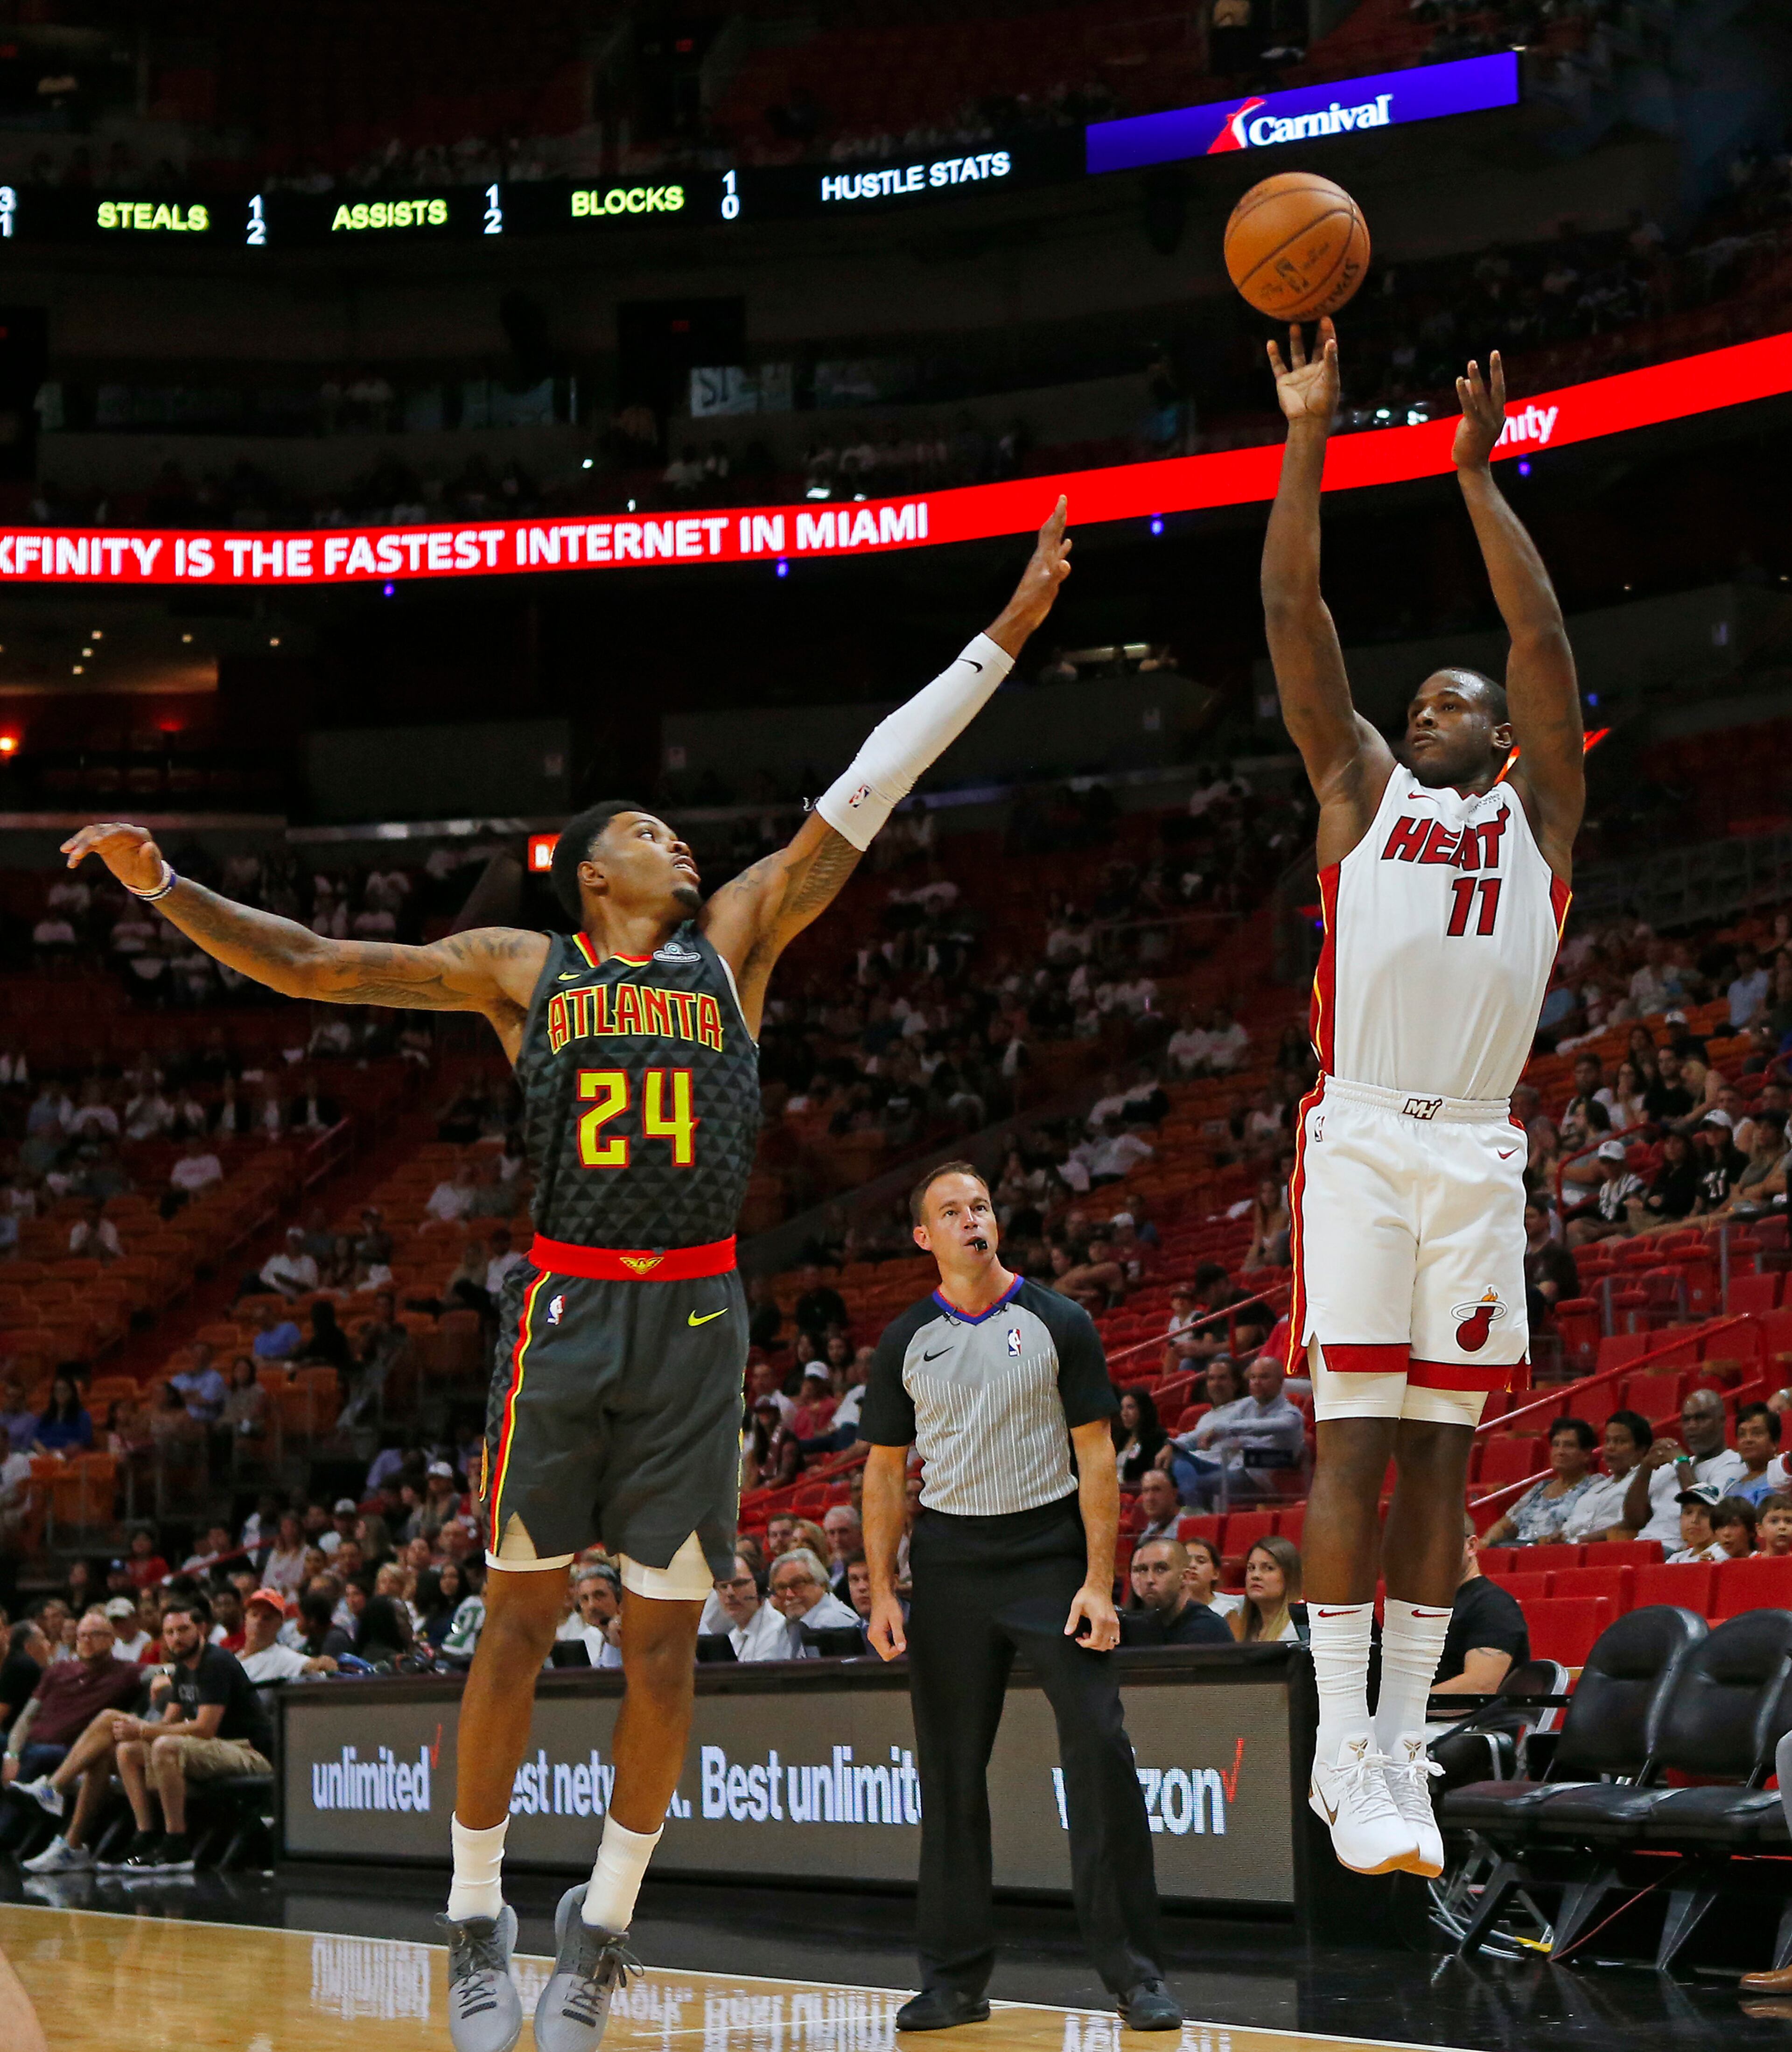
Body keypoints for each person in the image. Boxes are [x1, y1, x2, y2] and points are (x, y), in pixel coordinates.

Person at [62, 501, 1075, 2052]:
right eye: (650, 834)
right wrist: (161, 889)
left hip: (695, 1317)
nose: (685, 842)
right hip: (566, 1309)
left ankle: (599, 1925)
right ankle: (477, 1914)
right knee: (520, 1624)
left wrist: (999, 638)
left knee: (664, 1643)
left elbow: (873, 785)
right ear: (595, 873)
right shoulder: (520, 968)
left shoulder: (739, 937)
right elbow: (321, 966)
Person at [1261, 322, 1584, 1882]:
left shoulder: (1541, 813)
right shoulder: (1360, 793)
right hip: (1368, 1130)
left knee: (1447, 1463)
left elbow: (1547, 645)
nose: (1438, 700)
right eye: (1425, 695)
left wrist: (1475, 472)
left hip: (1479, 1145)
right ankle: (1341, 1736)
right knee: (1356, 1441)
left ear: (1501, 738)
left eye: (1458, 696)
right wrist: (1310, 433)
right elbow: (1293, 608)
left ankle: (1396, 1739)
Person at [860, 1162, 1179, 2033]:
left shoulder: (1057, 1321)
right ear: (924, 1236)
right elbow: (886, 1470)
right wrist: (884, 1588)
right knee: (951, 1774)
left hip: (1048, 1555)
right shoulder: (905, 1340)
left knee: (1100, 1745)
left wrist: (1099, 1582)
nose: (973, 1219)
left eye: (982, 1206)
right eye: (951, 1211)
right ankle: (957, 1980)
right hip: (953, 1562)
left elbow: (1099, 1456)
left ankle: (1135, 1973)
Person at [1620, 1388, 1745, 1548]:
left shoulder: (1732, 1463)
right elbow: (1633, 1521)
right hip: (1642, 1545)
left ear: (1722, 1420)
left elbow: (1710, 1517)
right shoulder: (1672, 1464)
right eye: (1686, 1420)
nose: (1692, 1425)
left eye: (1701, 1418)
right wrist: (1645, 1468)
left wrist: (1681, 1463)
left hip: (1678, 1550)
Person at [1428, 1520, 1530, 1698]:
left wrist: (1401, 1708)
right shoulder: (1431, 1605)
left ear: (1471, 1546)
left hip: (1465, 1724)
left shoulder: (1495, 1606)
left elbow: (1479, 1687)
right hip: (1422, 1719)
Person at [1479, 1418, 1598, 1548]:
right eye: (1556, 1445)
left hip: (1554, 1553)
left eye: (1569, 1446)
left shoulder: (1595, 1485)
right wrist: (1486, 1541)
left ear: (1586, 1454)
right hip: (1518, 1549)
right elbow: (1505, 1525)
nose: (1560, 1452)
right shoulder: (1541, 1487)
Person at [1561, 1411, 1653, 1543]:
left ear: (1642, 1449)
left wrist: (1578, 1541)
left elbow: (1629, 1526)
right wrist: (1560, 1537)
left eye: (1620, 1441)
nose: (1610, 1447)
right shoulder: (1595, 1488)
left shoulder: (1647, 1482)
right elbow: (1570, 1527)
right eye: (1608, 1441)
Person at [1123, 1538, 1232, 1646]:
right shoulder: (1136, 1625)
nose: (1149, 1579)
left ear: (1185, 1577)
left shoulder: (1208, 1628)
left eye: (1161, 1569)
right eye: (1143, 1570)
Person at [766, 1548, 861, 1653]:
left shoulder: (833, 1623)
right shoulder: (791, 1624)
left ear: (822, 1583)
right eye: (782, 1587)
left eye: (798, 1584)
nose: (789, 1594)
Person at [712, 1554, 787, 1662]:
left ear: (760, 1585)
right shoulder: (733, 1637)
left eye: (739, 1584)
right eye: (723, 1586)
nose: (730, 1593)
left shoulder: (778, 1631)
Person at [1231, 1537, 1306, 1645]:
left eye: (1269, 1568)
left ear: (1290, 1576)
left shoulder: (1299, 1626)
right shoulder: (1241, 1625)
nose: (1256, 1576)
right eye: (1251, 1568)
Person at [1112, 1388, 1166, 1487]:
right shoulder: (1121, 1438)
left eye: (1130, 1408)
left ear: (1143, 1409)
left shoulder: (1157, 1438)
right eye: (1122, 1408)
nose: (1124, 1413)